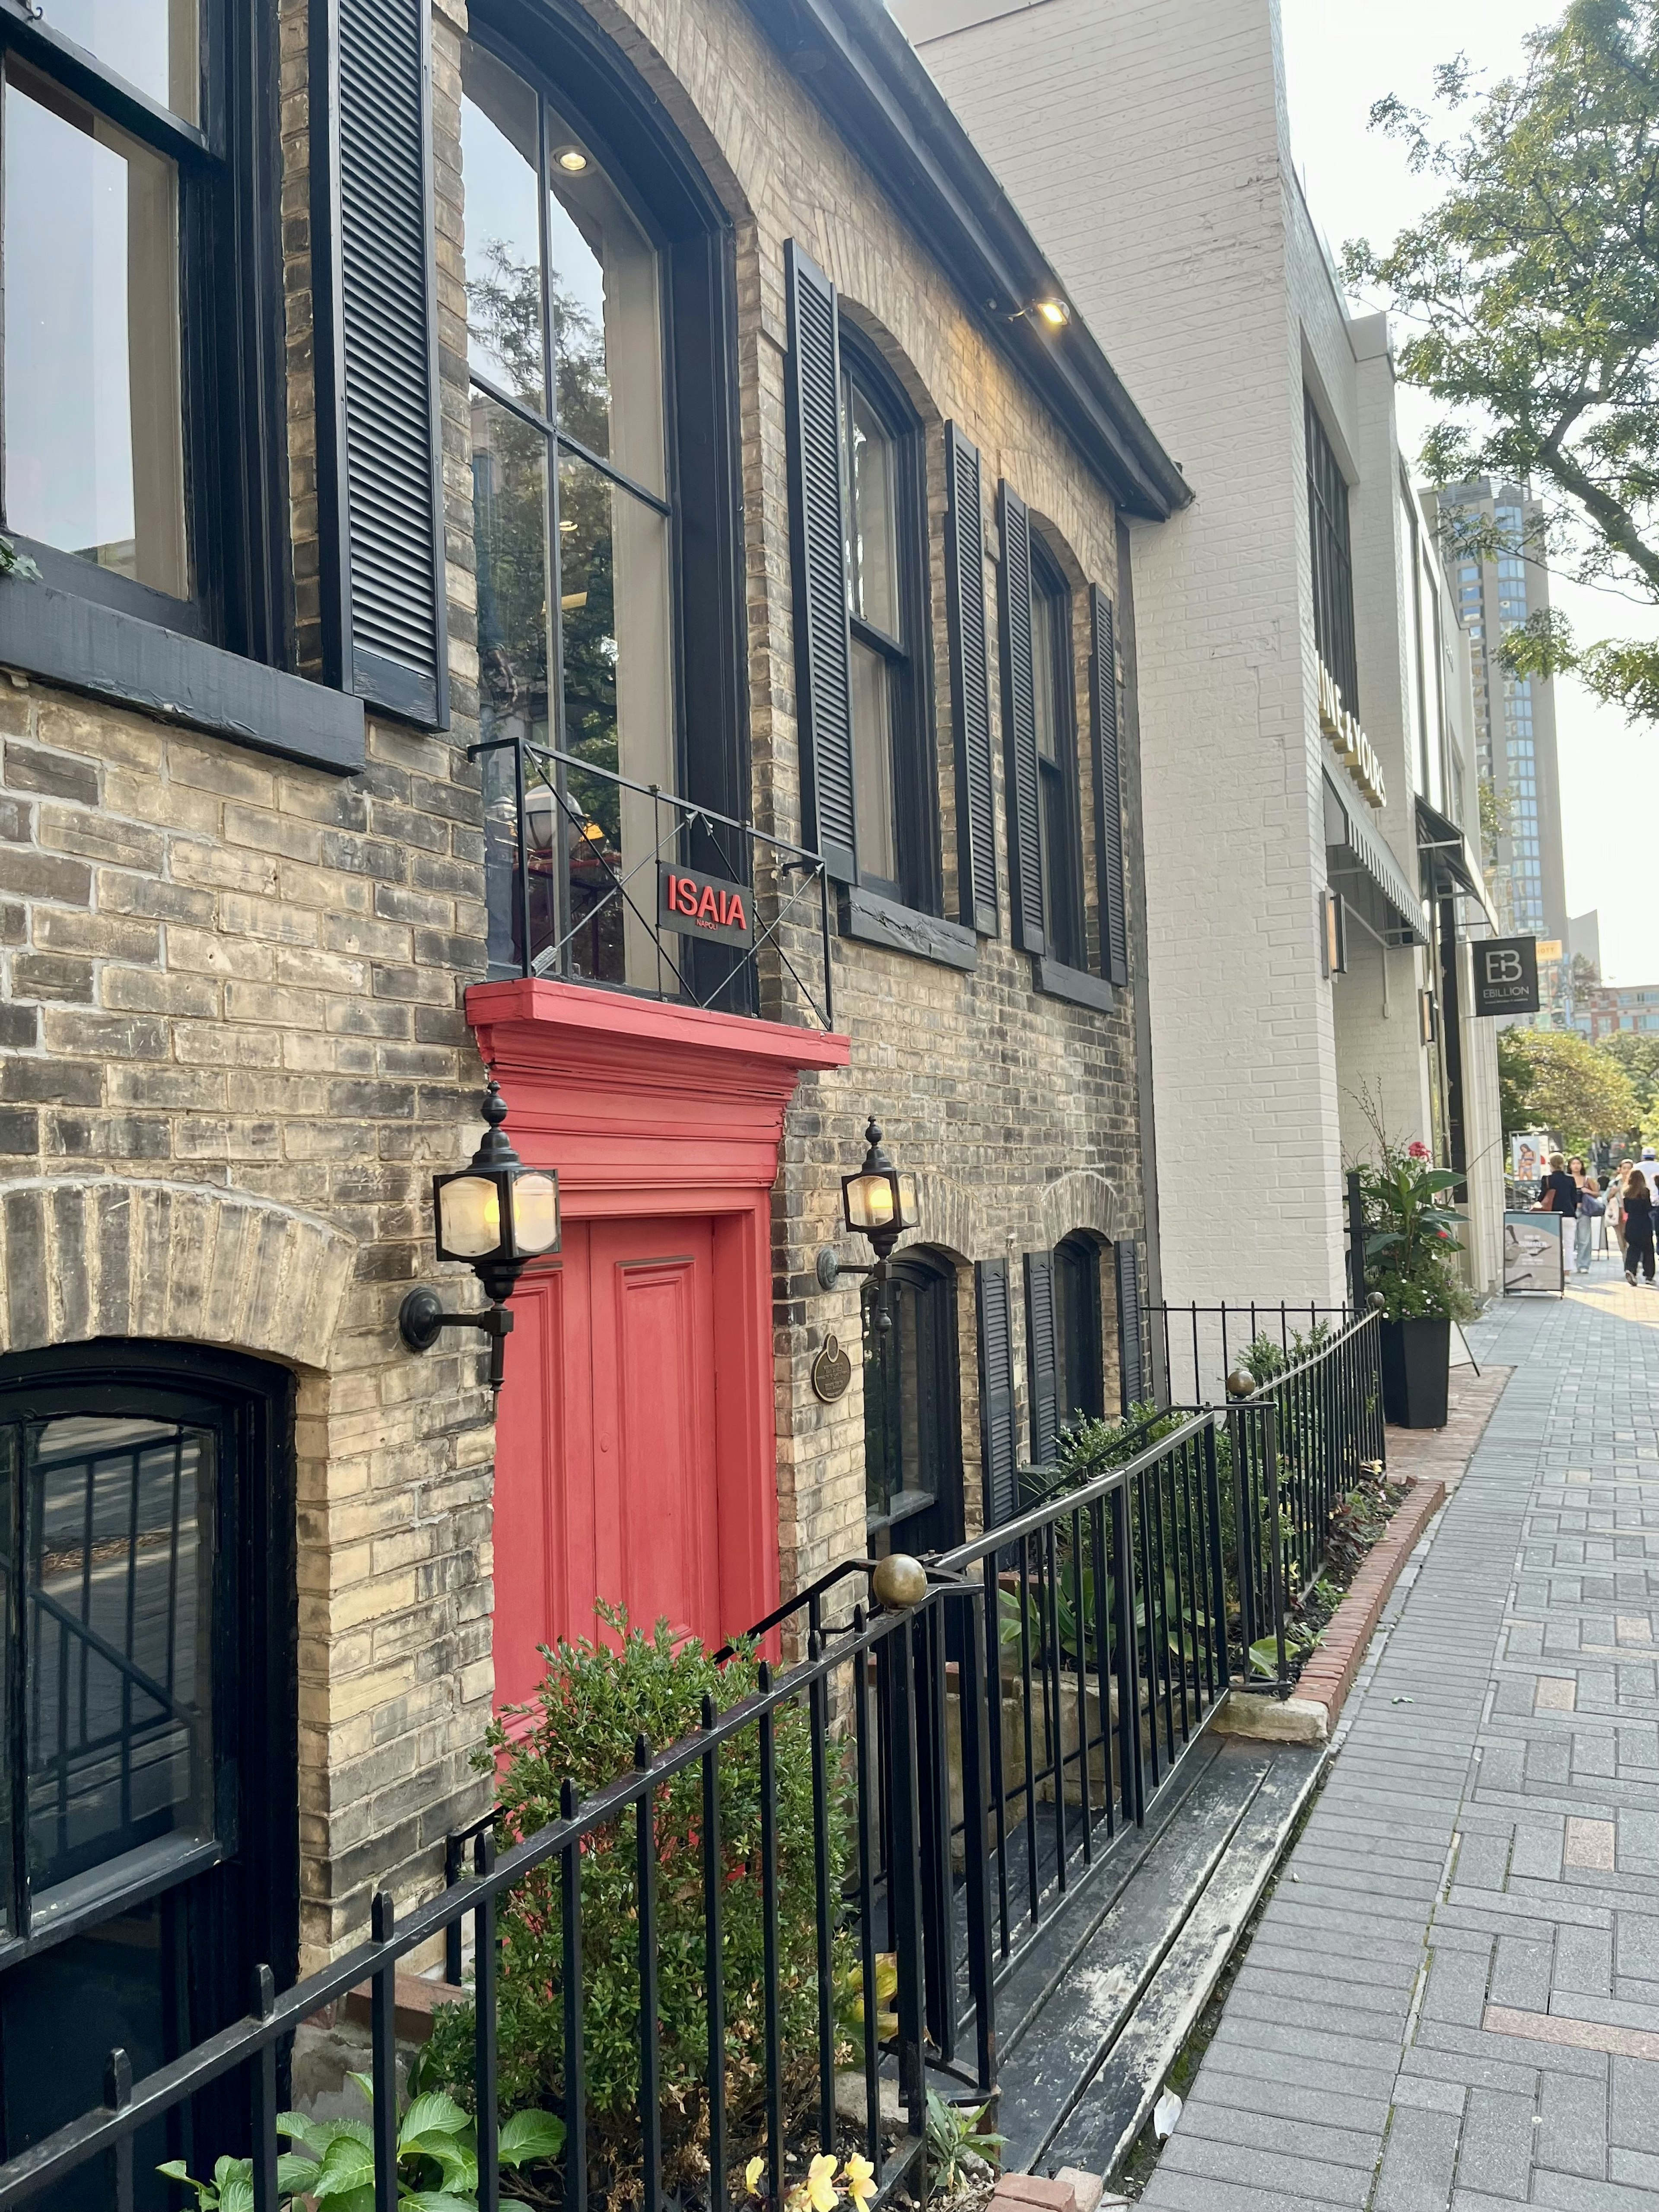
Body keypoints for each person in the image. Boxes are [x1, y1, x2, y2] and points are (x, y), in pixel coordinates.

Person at [1624, 1167, 1656, 1286]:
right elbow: (1648, 1208)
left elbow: (1627, 1209)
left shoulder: (1627, 1193)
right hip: (1644, 1223)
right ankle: (1648, 1275)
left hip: (1631, 1223)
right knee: (1648, 1250)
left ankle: (1630, 1269)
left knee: (1633, 1248)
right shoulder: (1645, 1192)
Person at [1538, 1152, 1580, 1220]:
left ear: (1550, 1164)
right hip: (1569, 1214)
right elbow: (1574, 1199)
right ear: (1563, 1163)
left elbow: (1541, 1198)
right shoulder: (1570, 1179)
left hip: (1552, 1215)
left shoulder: (1547, 1179)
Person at [1576, 1177, 1603, 1275]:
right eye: (1574, 1164)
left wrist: (1588, 1191)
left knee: (1585, 1240)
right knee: (1571, 1240)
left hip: (1584, 1211)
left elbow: (1598, 1194)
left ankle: (1583, 1265)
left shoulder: (1587, 1180)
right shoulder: (1568, 1179)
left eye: (1578, 1164)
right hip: (1570, 1211)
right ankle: (1568, 1265)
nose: (1576, 1166)